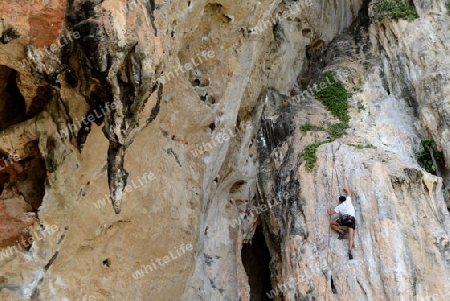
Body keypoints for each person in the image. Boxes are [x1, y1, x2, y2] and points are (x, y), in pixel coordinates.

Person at [327, 187, 356, 260]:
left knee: (331, 224)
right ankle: (350, 251)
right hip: (352, 219)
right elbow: (349, 193)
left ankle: (341, 232)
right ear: (345, 200)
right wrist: (345, 189)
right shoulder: (348, 201)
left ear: (340, 201)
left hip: (345, 218)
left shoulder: (339, 206)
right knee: (351, 237)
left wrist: (328, 209)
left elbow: (330, 213)